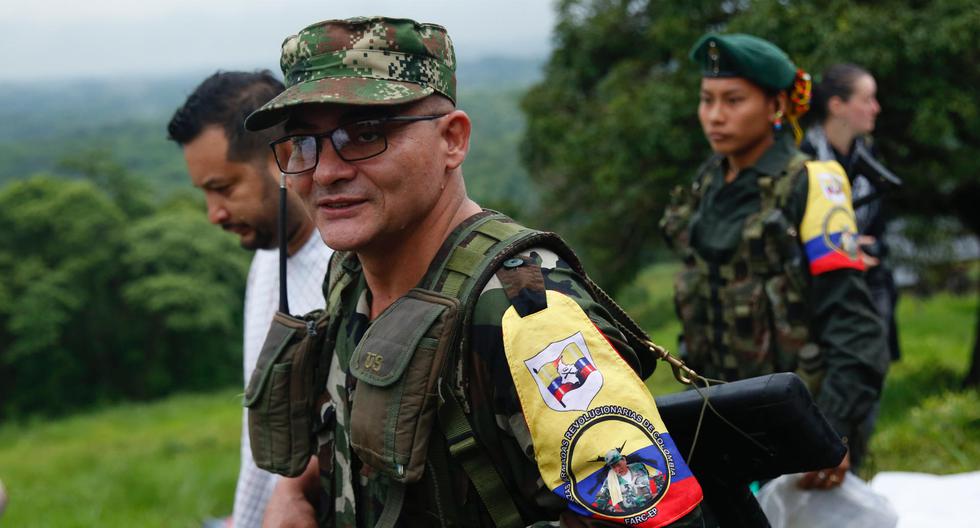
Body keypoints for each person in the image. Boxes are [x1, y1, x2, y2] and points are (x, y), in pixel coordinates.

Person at [246, 16, 706, 528]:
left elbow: (655, 518)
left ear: (452, 140)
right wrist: (295, 493)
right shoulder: (350, 277)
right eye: (304, 146)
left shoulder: (525, 310)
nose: (327, 172)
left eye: (365, 134)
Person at [660, 34, 889, 490]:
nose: (715, 115)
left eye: (734, 100)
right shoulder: (707, 185)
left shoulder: (812, 185)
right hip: (721, 418)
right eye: (707, 100)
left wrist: (831, 432)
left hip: (798, 423)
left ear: (776, 106)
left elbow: (852, 322)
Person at [167, 71, 332, 528]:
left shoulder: (348, 266)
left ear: (283, 159)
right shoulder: (268, 253)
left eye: (223, 188)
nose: (213, 214)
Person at [801, 63, 901, 364]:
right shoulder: (803, 159)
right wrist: (844, 247)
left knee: (871, 369)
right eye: (867, 99)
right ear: (837, 106)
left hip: (871, 282)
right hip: (822, 291)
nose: (876, 108)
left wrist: (872, 247)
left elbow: (880, 226)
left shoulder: (869, 155)